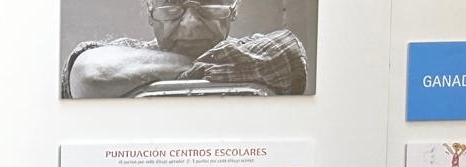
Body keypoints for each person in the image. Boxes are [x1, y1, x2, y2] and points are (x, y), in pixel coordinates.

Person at [64, 1, 308, 99]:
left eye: (209, 3)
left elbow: (289, 52)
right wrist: (203, 66)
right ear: (150, 12)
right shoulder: (250, 59)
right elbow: (89, 74)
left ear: (234, 9)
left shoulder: (263, 50)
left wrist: (168, 72)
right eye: (171, 5)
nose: (190, 25)